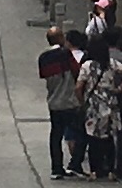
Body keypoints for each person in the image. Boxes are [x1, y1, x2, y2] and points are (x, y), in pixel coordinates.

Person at [37, 24, 86, 177]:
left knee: (56, 135)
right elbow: (77, 71)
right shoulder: (65, 54)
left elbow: (44, 75)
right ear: (60, 38)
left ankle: (56, 168)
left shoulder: (43, 58)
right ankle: (75, 164)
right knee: (81, 133)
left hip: (54, 102)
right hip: (70, 101)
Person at [81, 44, 122, 180]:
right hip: (110, 104)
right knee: (109, 137)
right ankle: (111, 171)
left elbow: (78, 86)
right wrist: (119, 89)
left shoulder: (87, 66)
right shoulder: (112, 64)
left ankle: (94, 171)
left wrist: (82, 101)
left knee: (93, 138)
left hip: (93, 106)